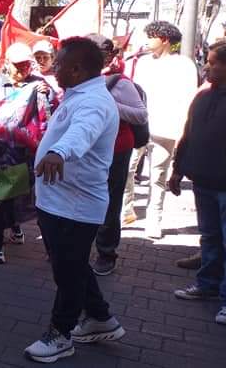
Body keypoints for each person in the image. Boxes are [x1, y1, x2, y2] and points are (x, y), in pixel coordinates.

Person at [24, 37, 125, 363]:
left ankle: (60, 334)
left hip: (74, 206)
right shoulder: (79, 94)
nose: (53, 68)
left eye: (59, 64)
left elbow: (83, 132)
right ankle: (99, 317)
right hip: (59, 201)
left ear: (77, 69)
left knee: (67, 272)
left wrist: (59, 151)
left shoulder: (93, 102)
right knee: (73, 265)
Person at [171, 38, 226, 327]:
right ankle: (207, 285)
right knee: (209, 237)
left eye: (211, 63)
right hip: (203, 182)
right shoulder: (203, 97)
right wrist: (177, 170)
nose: (206, 68)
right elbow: (188, 135)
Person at [0, 43, 53, 262]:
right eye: (18, 65)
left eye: (26, 64)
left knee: (18, 194)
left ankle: (11, 234)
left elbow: (50, 115)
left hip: (24, 152)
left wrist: (47, 96)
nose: (22, 69)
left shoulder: (39, 86)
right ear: (7, 63)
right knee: (1, 196)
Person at [127, 21, 198, 239]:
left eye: (151, 37)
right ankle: (126, 211)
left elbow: (189, 100)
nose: (147, 41)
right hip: (139, 127)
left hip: (166, 129)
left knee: (157, 176)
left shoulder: (184, 65)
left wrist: (183, 133)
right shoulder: (142, 63)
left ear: (165, 39)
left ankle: (154, 220)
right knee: (127, 169)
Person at [87, 34, 147, 276]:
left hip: (116, 150)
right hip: (86, 149)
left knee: (110, 202)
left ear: (109, 56)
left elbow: (140, 115)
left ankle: (106, 253)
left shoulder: (120, 82)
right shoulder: (79, 79)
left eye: (97, 54)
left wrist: (108, 103)